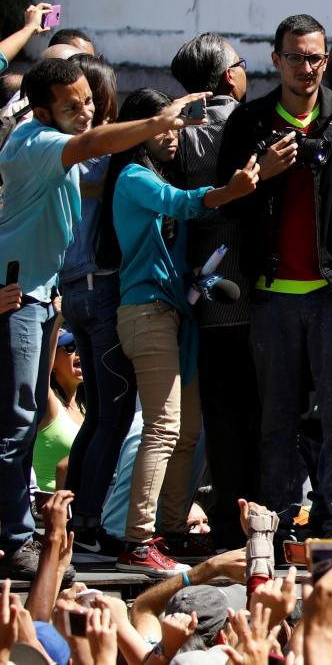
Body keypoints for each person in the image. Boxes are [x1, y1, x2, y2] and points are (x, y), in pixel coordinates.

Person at [0, 58, 209, 579]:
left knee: (47, 421)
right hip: (20, 296)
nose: (86, 111)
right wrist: (161, 121)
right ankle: (16, 539)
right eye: (72, 106)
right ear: (43, 111)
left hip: (43, 297)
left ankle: (52, 528)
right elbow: (95, 147)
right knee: (18, 422)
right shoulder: (37, 141)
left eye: (89, 101)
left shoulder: (55, 152)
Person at [217, 13, 332, 540]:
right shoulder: (249, 124)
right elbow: (223, 201)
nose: (307, 67)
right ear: (276, 60)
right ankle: (277, 523)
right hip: (272, 298)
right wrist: (260, 173)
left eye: (316, 56)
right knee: (277, 424)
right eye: (295, 57)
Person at [105, 88, 259, 575]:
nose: (173, 135)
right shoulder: (132, 177)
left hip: (177, 315)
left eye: (175, 125)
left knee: (187, 428)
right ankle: (136, 541)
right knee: (164, 426)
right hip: (146, 312)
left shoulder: (152, 175)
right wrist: (232, 190)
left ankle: (170, 532)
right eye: (163, 125)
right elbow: (181, 202)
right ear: (138, 131)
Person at [169, 32, 256, 547]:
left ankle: (225, 518)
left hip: (200, 289)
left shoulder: (180, 131)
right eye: (242, 65)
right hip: (250, 284)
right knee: (260, 408)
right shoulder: (245, 124)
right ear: (228, 75)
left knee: (219, 410)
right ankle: (259, 516)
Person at [57, 54, 139, 558]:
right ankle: (87, 520)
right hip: (103, 287)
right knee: (114, 413)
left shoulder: (68, 150)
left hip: (73, 289)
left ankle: (75, 516)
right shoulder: (100, 156)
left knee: (96, 415)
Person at [32, 329, 84, 492]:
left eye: (81, 345)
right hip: (47, 509)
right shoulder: (49, 405)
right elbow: (42, 372)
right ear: (53, 362)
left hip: (80, 504)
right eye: (71, 346)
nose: (79, 351)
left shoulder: (87, 408)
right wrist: (56, 321)